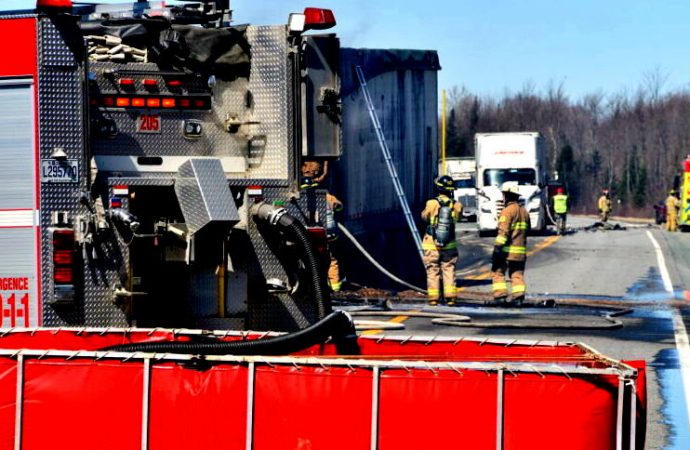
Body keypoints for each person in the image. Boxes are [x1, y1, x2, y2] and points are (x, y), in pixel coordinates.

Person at [421, 175, 462, 306]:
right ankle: (450, 297)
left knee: (433, 270)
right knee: (448, 269)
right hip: (449, 245)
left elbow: (424, 217)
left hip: (432, 244)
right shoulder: (457, 205)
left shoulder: (431, 203)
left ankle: (433, 299)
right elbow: (458, 218)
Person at [491, 182, 530, 306]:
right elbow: (528, 229)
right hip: (520, 252)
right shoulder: (524, 211)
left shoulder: (507, 212)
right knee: (517, 274)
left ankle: (500, 296)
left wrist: (497, 248)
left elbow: (503, 232)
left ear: (506, 196)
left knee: (498, 272)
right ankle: (518, 297)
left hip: (506, 252)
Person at [325, 193, 344, 291]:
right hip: (330, 233)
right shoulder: (329, 197)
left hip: (315, 232)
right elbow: (339, 206)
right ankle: (334, 285)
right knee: (332, 259)